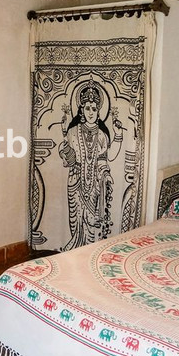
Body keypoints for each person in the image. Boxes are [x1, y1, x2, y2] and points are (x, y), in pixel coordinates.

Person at [58, 83, 125, 251]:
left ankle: (88, 250)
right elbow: (66, 154)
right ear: (81, 110)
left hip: (94, 182)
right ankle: (74, 249)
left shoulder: (101, 134)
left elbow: (105, 158)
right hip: (75, 181)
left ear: (98, 111)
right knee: (75, 219)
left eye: (94, 109)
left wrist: (106, 174)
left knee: (90, 219)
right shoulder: (73, 131)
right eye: (87, 108)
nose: (90, 112)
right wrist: (65, 144)